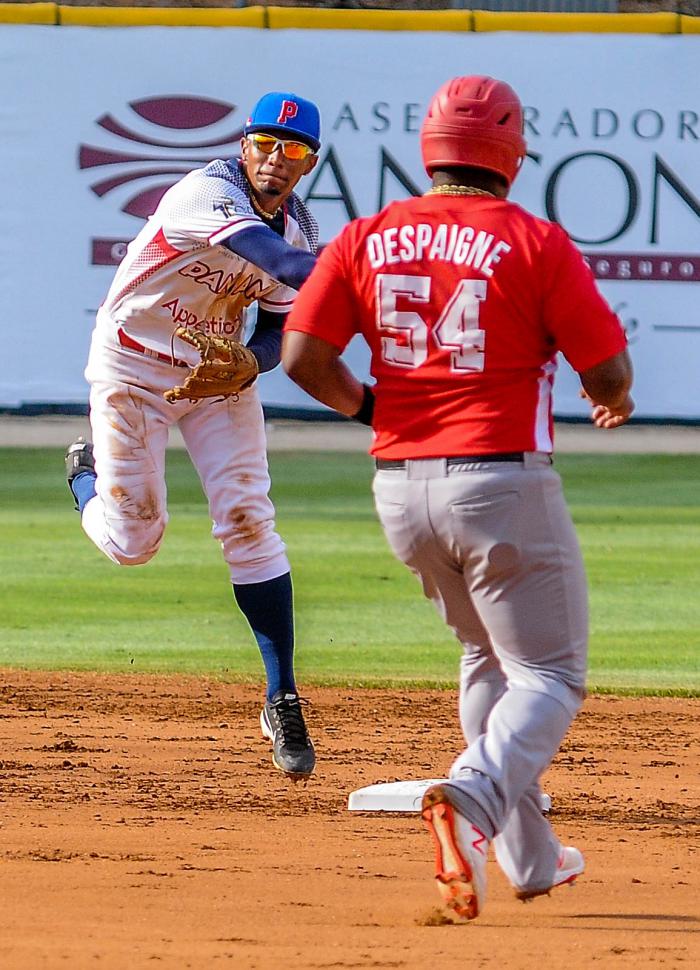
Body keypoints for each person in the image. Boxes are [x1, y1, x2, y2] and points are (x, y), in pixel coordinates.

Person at [281, 76, 634, 915]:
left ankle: (533, 861)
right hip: (500, 479)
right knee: (549, 673)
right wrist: (611, 396)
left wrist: (376, 405)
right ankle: (471, 796)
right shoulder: (533, 240)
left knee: (486, 657)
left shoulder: (366, 235)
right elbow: (609, 372)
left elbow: (301, 357)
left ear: (429, 151)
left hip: (400, 489)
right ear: (511, 155)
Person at [65, 91, 323, 782]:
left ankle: (282, 698)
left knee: (247, 521)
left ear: (310, 162)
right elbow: (279, 261)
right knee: (133, 543)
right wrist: (365, 271)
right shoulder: (205, 193)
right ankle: (84, 478)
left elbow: (276, 324)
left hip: (216, 373)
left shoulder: (301, 227)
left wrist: (254, 362)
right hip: (132, 365)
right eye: (264, 143)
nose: (275, 158)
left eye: (292, 149)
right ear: (244, 146)